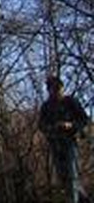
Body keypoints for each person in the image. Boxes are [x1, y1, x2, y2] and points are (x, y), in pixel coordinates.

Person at [39, 75, 90, 203]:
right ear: (49, 90)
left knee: (72, 176)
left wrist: (70, 125)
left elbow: (84, 119)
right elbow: (41, 125)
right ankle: (84, 200)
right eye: (53, 89)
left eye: (58, 89)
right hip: (55, 144)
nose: (56, 92)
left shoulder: (70, 102)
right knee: (64, 179)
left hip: (69, 142)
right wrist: (52, 128)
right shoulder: (46, 107)